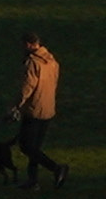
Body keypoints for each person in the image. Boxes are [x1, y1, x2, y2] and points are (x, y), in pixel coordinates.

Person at [13, 33, 66, 189]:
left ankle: (56, 168)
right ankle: (32, 180)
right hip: (48, 108)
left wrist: (16, 105)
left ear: (29, 44)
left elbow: (27, 88)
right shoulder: (51, 61)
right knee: (35, 148)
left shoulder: (33, 63)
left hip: (34, 110)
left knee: (26, 147)